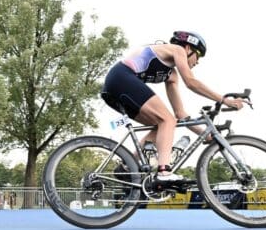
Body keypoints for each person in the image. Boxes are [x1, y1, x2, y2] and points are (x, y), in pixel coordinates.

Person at [101, 31, 244, 182]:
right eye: (198, 55)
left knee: (162, 124)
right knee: (167, 120)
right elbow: (191, 82)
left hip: (115, 87)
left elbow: (180, 114)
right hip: (121, 77)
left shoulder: (171, 75)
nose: (198, 62)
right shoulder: (177, 50)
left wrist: (206, 135)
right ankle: (164, 172)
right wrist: (224, 100)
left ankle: (127, 165)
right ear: (189, 48)